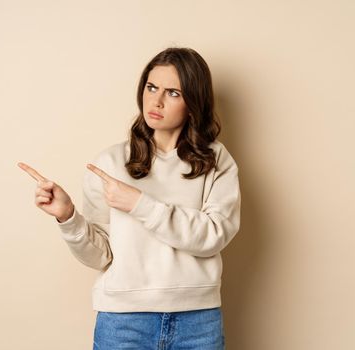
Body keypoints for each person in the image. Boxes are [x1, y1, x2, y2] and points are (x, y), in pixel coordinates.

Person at [18, 47, 241, 349]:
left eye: (173, 93)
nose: (157, 101)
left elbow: (213, 236)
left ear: (194, 102)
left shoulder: (216, 160)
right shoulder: (109, 163)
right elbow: (101, 256)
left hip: (197, 321)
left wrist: (140, 204)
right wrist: (68, 217)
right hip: (123, 323)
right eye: (152, 87)